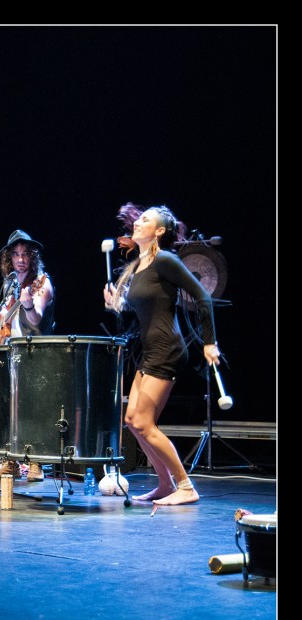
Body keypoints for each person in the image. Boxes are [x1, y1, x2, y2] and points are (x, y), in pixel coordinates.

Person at [104, 204, 220, 506]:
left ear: (159, 231)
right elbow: (143, 309)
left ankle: (185, 485)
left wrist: (209, 343)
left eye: (145, 220)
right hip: (151, 350)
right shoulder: (139, 265)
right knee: (132, 420)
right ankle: (166, 484)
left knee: (144, 423)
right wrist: (115, 306)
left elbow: (203, 297)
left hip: (167, 349)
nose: (137, 223)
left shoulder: (165, 260)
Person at [0, 230, 55, 482]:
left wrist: (27, 304)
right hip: (9, 351)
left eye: (25, 254)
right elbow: (3, 315)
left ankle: (36, 463)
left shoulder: (42, 283)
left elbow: (36, 319)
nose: (21, 259)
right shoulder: (10, 284)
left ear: (33, 257)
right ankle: (10, 461)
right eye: (16, 254)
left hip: (33, 352)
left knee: (33, 409)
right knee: (7, 407)